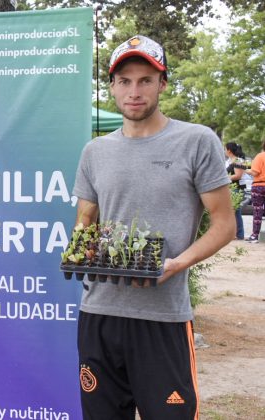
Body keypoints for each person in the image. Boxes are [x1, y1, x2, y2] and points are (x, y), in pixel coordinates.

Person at [71, 35, 234, 420]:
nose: (134, 91)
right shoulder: (95, 151)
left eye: (145, 80)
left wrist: (177, 264)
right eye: (124, 81)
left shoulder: (196, 141)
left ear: (163, 82)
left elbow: (224, 225)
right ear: (111, 86)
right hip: (100, 314)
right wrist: (82, 249)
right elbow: (85, 221)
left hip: (162, 319)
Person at [225, 142, 246, 240]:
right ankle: (239, 234)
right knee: (236, 212)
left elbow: (238, 175)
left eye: (225, 149)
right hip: (231, 188)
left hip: (237, 189)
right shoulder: (228, 161)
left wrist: (225, 177)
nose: (225, 151)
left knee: (233, 211)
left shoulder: (239, 161)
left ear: (229, 150)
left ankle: (234, 234)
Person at [245, 138, 265, 242]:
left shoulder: (260, 156)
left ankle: (255, 236)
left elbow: (255, 172)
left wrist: (247, 170)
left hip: (259, 186)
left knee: (258, 211)